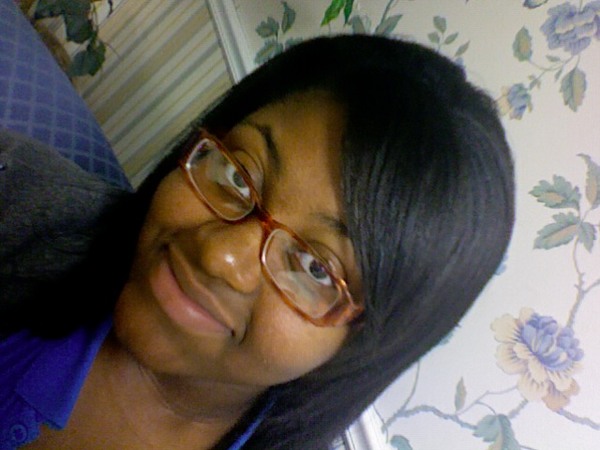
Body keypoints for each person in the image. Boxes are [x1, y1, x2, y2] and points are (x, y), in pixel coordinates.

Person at [0, 34, 515, 449]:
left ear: (363, 348)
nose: (220, 256)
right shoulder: (21, 196)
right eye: (238, 175)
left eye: (315, 268)